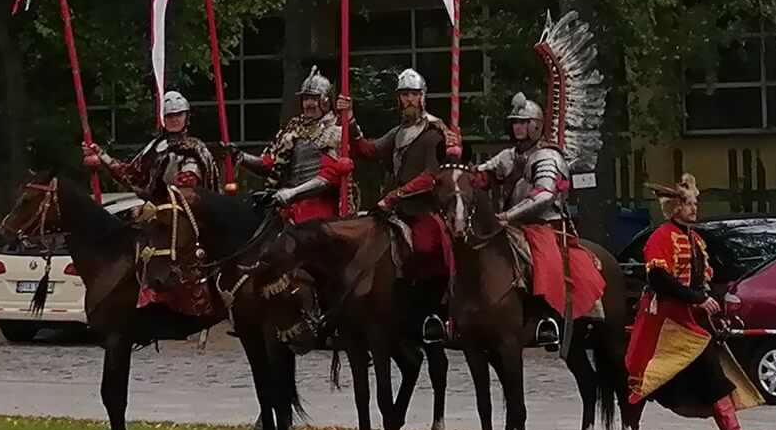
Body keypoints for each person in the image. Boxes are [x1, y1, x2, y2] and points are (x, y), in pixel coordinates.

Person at [621, 174, 767, 430]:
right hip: (663, 322)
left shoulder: (696, 239)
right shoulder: (660, 237)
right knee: (644, 378)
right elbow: (659, 279)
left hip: (690, 323)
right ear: (675, 208)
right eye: (688, 204)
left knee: (712, 373)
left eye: (694, 203)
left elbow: (701, 281)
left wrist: (709, 301)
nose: (694, 208)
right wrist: (697, 299)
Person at [477, 93, 605, 350]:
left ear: (535, 125)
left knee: (542, 260)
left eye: (523, 122)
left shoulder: (548, 156)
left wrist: (507, 216)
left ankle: (546, 319)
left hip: (545, 225)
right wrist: (462, 170)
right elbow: (484, 176)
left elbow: (544, 194)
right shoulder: (508, 155)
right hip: (512, 227)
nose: (518, 127)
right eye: (514, 123)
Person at [342, 68, 459, 344]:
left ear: (422, 97)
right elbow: (368, 150)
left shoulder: (435, 132)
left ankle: (434, 314)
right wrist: (350, 120)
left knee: (426, 249)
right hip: (394, 212)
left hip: (422, 211)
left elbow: (432, 176)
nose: (408, 100)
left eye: (413, 95)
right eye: (404, 95)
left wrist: (395, 195)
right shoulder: (399, 132)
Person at [232, 67, 351, 224]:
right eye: (305, 99)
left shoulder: (335, 131)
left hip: (319, 209)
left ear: (325, 100)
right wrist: (240, 157)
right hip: (289, 205)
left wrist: (291, 193)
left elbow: (328, 178)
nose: (308, 104)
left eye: (313, 99)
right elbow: (272, 165)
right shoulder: (293, 129)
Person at [82, 91, 219, 201]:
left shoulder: (195, 148)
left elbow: (189, 183)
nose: (175, 119)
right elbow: (131, 175)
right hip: (153, 208)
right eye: (169, 115)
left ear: (186, 116)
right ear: (162, 118)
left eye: (179, 114)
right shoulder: (154, 146)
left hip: (186, 212)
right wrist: (101, 155)